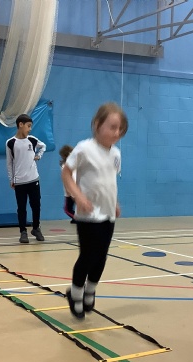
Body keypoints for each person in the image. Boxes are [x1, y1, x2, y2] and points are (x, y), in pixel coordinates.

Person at [61, 102, 128, 319]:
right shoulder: (84, 149)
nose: (116, 133)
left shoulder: (116, 153)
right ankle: (75, 294)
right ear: (98, 124)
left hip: (107, 215)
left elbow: (109, 181)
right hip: (88, 216)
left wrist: (114, 203)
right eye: (112, 127)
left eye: (120, 129)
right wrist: (78, 196)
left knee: (101, 258)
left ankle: (90, 291)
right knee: (88, 257)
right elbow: (66, 173)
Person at [6, 113, 47, 244]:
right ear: (20, 125)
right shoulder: (10, 143)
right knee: (21, 207)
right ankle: (23, 232)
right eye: (28, 126)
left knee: (36, 205)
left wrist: (38, 156)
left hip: (34, 179)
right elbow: (9, 163)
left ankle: (36, 228)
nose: (30, 129)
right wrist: (11, 179)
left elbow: (43, 146)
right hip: (20, 182)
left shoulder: (32, 140)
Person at [59, 144, 76, 223]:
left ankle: (79, 219)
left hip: (72, 189)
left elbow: (68, 178)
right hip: (77, 188)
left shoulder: (65, 166)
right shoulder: (76, 163)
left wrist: (69, 191)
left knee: (67, 209)